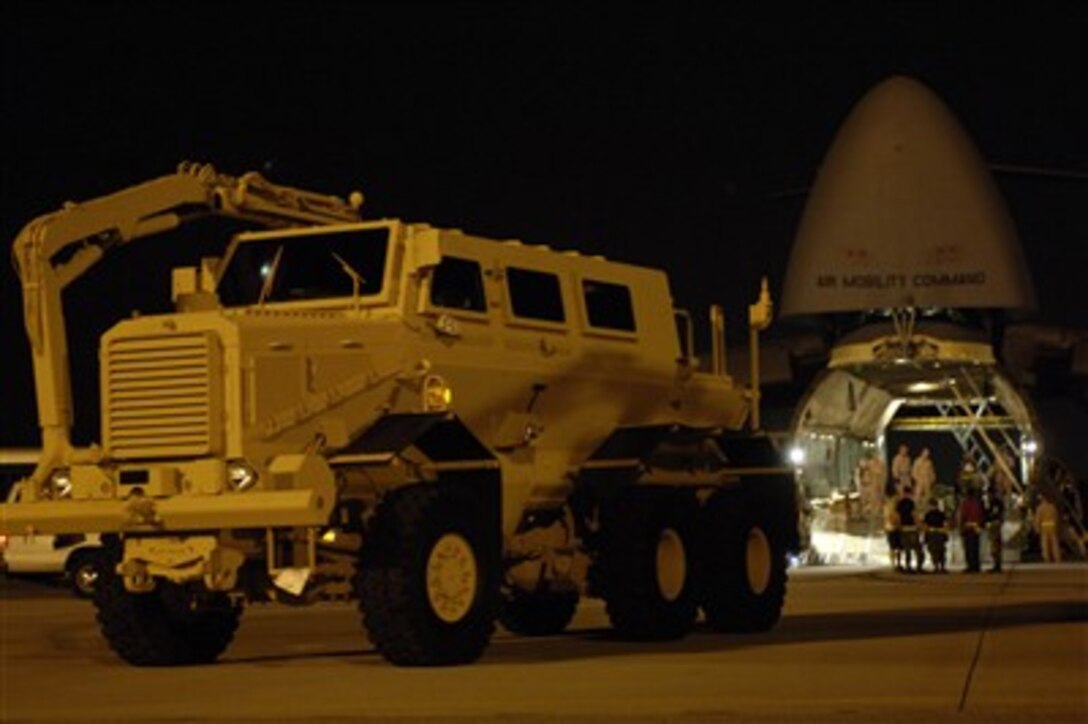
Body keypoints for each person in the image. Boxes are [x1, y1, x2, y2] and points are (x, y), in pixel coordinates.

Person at [896, 486, 923, 572]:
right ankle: (918, 566)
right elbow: (914, 514)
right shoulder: (911, 503)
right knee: (916, 547)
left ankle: (908, 566)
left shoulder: (899, 503)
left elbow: (898, 516)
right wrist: (918, 524)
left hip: (904, 527)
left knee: (907, 548)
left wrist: (898, 525)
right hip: (911, 527)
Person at [958, 487, 985, 573]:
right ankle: (976, 565)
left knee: (969, 547)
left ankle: (970, 565)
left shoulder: (965, 503)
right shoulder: (978, 503)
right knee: (976, 547)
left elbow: (963, 515)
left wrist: (961, 527)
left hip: (968, 527)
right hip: (976, 527)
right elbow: (981, 515)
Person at [922, 498, 949, 573]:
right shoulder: (941, 514)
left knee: (934, 550)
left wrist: (925, 535)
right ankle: (942, 566)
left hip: (932, 533)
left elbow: (925, 526)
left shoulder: (928, 514)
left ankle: (936, 566)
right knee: (941, 550)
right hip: (940, 532)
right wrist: (945, 533)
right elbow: (945, 524)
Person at [983, 485, 1005, 573]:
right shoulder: (996, 502)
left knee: (995, 544)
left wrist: (987, 518)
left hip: (995, 523)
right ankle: (996, 564)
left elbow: (994, 513)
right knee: (995, 544)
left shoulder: (995, 502)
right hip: (997, 523)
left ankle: (997, 565)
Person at [1034, 495, 1062, 563]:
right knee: (1054, 543)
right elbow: (1056, 517)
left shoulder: (1040, 508)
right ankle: (1057, 557)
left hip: (1044, 527)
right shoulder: (1052, 507)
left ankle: (1046, 557)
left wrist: (1037, 528)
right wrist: (1057, 526)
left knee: (1045, 544)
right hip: (1052, 527)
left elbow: (1038, 519)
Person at [884, 494, 903, 571]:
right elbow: (890, 519)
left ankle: (895, 563)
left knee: (895, 547)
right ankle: (895, 563)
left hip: (892, 529)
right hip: (893, 529)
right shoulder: (890, 509)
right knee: (895, 547)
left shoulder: (888, 508)